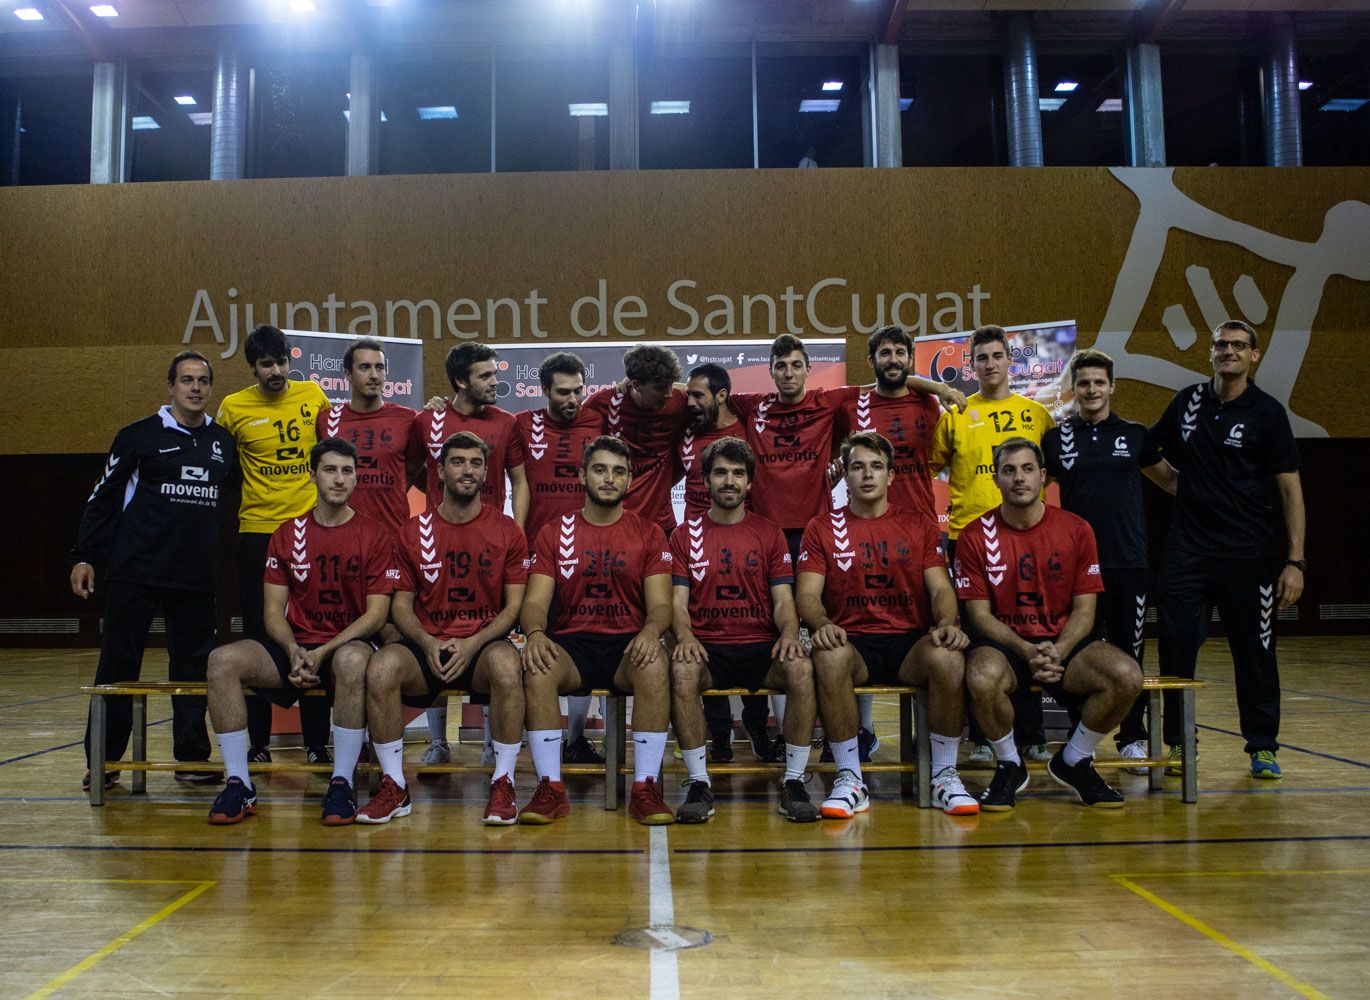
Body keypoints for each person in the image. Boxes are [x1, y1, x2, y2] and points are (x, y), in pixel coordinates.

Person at [204, 438, 398, 825]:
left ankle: (341, 781)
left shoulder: (375, 535)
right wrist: (293, 648)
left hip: (343, 646)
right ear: (312, 476)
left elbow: (376, 615)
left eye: (347, 471)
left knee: (355, 658)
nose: (339, 479)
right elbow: (273, 611)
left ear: (357, 478)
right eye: (330, 470)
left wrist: (323, 650)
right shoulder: (286, 533)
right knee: (221, 660)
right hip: (297, 646)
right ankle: (239, 782)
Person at [71, 351, 238, 791]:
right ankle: (103, 761)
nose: (196, 388)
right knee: (118, 666)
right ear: (170, 386)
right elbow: (102, 498)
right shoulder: (138, 437)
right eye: (187, 380)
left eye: (203, 380)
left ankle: (190, 758)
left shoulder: (222, 443)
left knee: (193, 669)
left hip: (195, 577)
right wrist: (84, 555)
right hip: (136, 572)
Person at [1150, 320, 1305, 779]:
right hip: (1187, 551)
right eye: (1221, 344)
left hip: (1249, 554)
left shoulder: (1268, 413)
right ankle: (1179, 745)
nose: (1229, 351)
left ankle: (1262, 746)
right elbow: (1146, 450)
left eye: (1239, 345)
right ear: (1211, 352)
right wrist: (1177, 484)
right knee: (1176, 648)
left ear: (1254, 356)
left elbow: (1291, 492)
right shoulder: (1189, 402)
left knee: (1254, 651)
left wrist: (1295, 561)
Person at [797, 432, 978, 818]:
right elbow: (808, 596)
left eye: (876, 467)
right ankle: (850, 777)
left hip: (908, 644)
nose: (867, 475)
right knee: (828, 656)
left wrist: (947, 622)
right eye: (858, 466)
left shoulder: (919, 525)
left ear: (891, 476)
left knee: (948, 657)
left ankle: (945, 774)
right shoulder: (821, 527)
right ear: (844, 474)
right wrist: (821, 623)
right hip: (854, 642)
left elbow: (941, 587)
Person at [957, 438, 1142, 811]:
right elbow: (978, 616)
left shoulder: (1077, 530)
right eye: (1008, 471)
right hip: (1009, 649)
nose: (1019, 479)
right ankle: (1010, 764)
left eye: (1027, 469)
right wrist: (1026, 650)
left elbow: (1085, 611)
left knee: (1127, 676)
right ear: (996, 479)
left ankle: (1074, 759)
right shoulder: (975, 536)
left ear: (1043, 476)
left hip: (1064, 647)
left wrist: (1057, 650)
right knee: (980, 676)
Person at [357, 432, 528, 825]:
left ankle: (503, 782)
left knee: (507, 665)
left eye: (475, 462)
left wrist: (472, 644)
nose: (467, 469)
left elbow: (514, 607)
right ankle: (393, 784)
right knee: (381, 668)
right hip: (428, 645)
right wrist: (427, 640)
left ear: (486, 472)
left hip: (483, 646)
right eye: (457, 461)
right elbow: (400, 607)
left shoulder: (507, 531)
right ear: (439, 470)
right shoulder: (411, 532)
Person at [518, 436, 676, 826]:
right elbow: (535, 602)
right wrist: (536, 634)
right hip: (572, 644)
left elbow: (660, 606)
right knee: (538, 667)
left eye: (619, 471)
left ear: (630, 481)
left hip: (627, 645)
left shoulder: (649, 532)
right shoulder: (555, 531)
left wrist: (650, 631)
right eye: (600, 469)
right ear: (582, 475)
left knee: (655, 663)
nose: (609, 478)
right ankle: (550, 788)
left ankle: (646, 786)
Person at [668, 436, 820, 823]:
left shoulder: (769, 533)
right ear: (704, 481)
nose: (730, 481)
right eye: (720, 473)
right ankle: (700, 782)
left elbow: (784, 600)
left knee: (802, 668)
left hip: (760, 648)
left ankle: (794, 780)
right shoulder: (684, 535)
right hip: (708, 649)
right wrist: (685, 637)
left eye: (738, 473)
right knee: (682, 670)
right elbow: (677, 604)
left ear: (751, 482)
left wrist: (789, 634)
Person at [1042, 348, 1176, 772]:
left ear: (1112, 387)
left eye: (1099, 382)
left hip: (1127, 562)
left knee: (1129, 651)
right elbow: (1029, 491)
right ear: (1074, 389)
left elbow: (1172, 481)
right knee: (1078, 650)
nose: (1092, 390)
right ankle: (1084, 732)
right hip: (1075, 568)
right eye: (1084, 383)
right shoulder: (1056, 439)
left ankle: (1131, 737)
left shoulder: (1136, 436)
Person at [929, 324, 1055, 762]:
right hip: (969, 539)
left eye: (996, 356)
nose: (989, 364)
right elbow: (929, 467)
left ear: (1009, 360)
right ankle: (984, 736)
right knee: (979, 639)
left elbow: (1048, 471)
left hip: (1027, 539)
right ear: (972, 365)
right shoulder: (957, 413)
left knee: (1031, 626)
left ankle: (1033, 734)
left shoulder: (1036, 414)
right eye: (980, 358)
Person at [216, 325, 333, 764]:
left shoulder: (313, 396)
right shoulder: (233, 407)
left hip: (310, 528)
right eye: (267, 364)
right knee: (260, 634)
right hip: (257, 530)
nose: (277, 371)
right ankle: (258, 743)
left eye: (282, 361)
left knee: (314, 627)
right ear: (253, 367)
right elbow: (223, 467)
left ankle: (317, 743)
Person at [417, 344, 527, 767]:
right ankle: (437, 742)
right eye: (485, 376)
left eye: (494, 374)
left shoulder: (506, 422)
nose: (495, 382)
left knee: (490, 635)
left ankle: (488, 743)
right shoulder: (428, 420)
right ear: (461, 381)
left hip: (492, 543)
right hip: (437, 542)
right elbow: (412, 469)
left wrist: (515, 530)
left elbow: (520, 480)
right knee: (438, 627)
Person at [679, 363, 779, 764]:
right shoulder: (686, 430)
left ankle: (757, 727)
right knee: (706, 635)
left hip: (748, 540)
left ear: (722, 395)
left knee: (755, 627)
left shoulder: (749, 421)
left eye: (698, 395)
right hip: (698, 538)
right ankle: (718, 737)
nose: (689, 402)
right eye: (687, 394)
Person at [514, 351, 609, 767]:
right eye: (564, 392)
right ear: (544, 391)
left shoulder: (599, 418)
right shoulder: (522, 424)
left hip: (591, 553)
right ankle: (534, 746)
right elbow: (518, 484)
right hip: (542, 553)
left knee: (582, 644)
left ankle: (575, 740)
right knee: (543, 651)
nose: (573, 400)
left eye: (578, 391)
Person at [314, 338, 423, 537]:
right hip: (341, 536)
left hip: (391, 535)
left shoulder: (409, 419)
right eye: (365, 367)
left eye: (379, 367)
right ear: (348, 374)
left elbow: (414, 471)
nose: (374, 375)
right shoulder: (326, 420)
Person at [583, 344, 690, 536]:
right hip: (612, 519)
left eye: (670, 385)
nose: (667, 393)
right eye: (659, 388)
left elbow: (710, 393)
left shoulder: (678, 402)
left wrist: (663, 483)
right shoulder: (602, 403)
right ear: (636, 384)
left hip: (661, 522)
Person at [839, 326, 944, 523]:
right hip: (866, 525)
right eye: (885, 353)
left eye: (900, 352)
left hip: (921, 522)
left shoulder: (928, 404)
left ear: (910, 360)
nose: (894, 360)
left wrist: (940, 389)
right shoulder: (851, 409)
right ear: (871, 361)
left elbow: (937, 460)